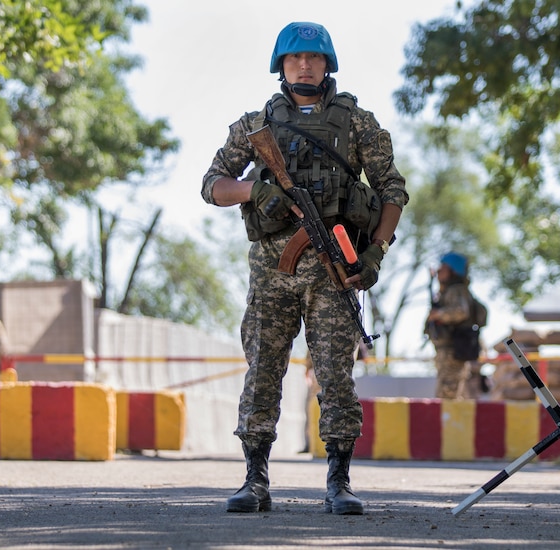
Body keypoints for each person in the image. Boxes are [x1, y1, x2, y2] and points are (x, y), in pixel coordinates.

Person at [201, 22, 407, 515]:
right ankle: (254, 478)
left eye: (314, 58)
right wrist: (258, 190)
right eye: (295, 59)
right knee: (263, 372)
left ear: (328, 64)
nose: (305, 65)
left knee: (336, 376)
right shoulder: (256, 126)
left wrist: (374, 253)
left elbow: (392, 192)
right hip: (273, 273)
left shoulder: (358, 123)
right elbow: (213, 185)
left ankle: (339, 480)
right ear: (282, 67)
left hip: (335, 274)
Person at [425, 252, 484, 400]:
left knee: (448, 395)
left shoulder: (457, 290)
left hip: (453, 352)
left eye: (442, 269)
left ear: (453, 271)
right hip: (447, 352)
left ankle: (448, 423)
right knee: (447, 394)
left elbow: (461, 311)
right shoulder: (447, 292)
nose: (438, 272)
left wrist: (438, 314)